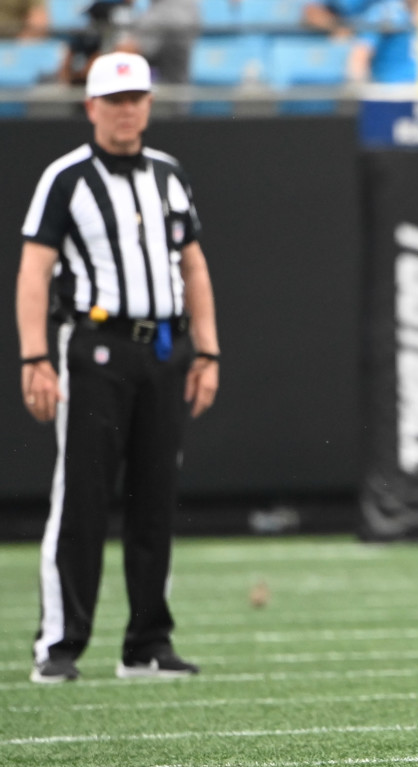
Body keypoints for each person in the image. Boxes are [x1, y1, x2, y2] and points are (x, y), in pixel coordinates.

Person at [17, 51, 220, 684]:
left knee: (155, 499)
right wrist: (36, 356)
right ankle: (60, 643)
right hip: (94, 351)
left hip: (163, 350)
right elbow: (33, 270)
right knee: (81, 496)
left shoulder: (169, 174)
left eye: (136, 99)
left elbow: (192, 266)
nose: (127, 110)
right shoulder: (67, 177)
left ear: (149, 105)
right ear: (92, 107)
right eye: (114, 100)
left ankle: (146, 644)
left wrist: (208, 349)